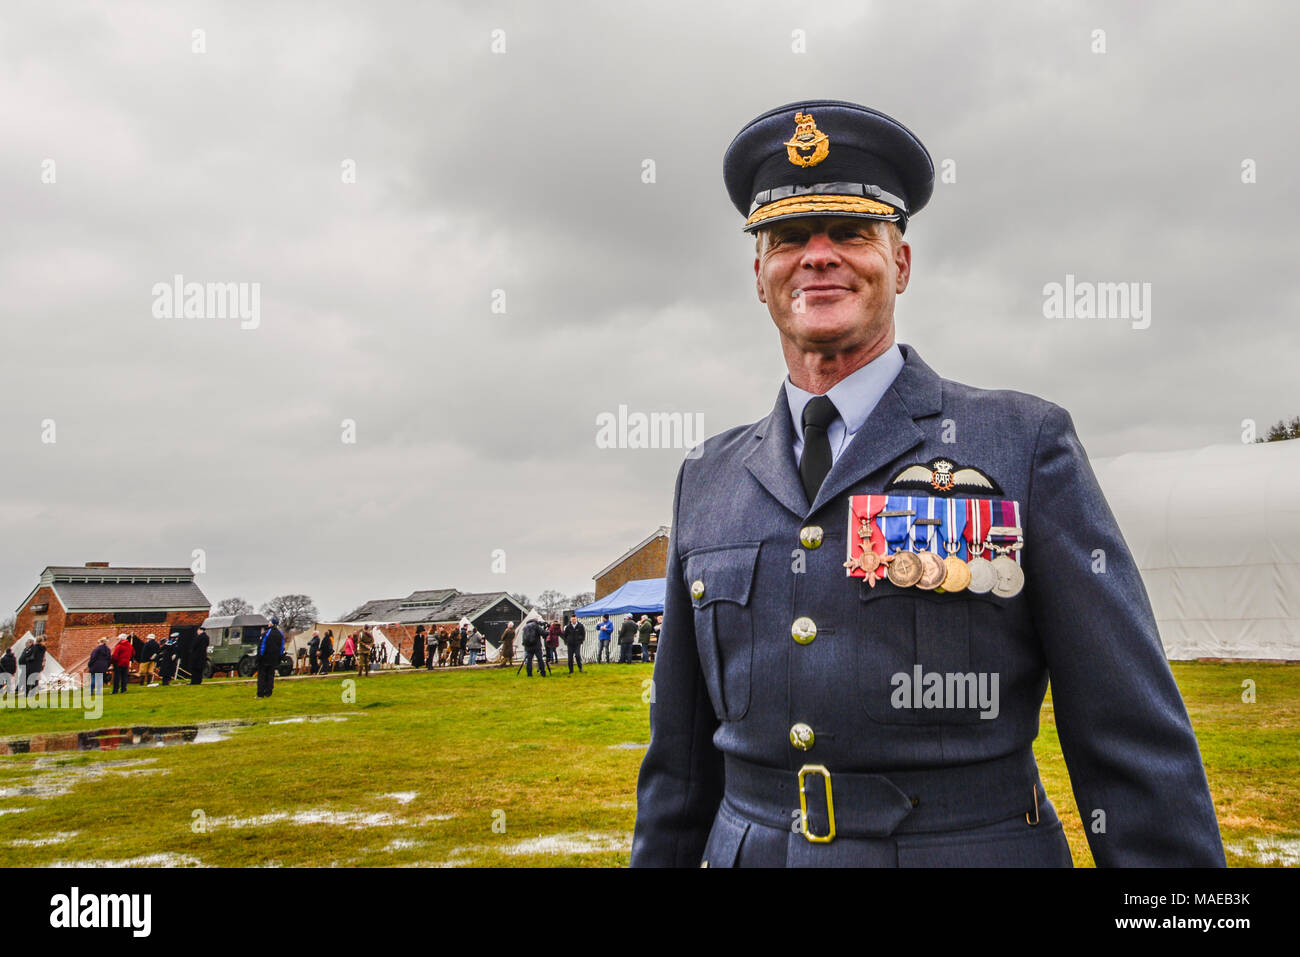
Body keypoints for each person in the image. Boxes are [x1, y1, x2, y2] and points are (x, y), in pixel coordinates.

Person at [631, 101, 1226, 869]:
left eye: (849, 233)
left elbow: (1127, 737)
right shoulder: (706, 478)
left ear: (900, 263)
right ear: (760, 274)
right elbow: (678, 767)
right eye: (788, 239)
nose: (818, 257)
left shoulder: (1022, 444)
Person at [256, 617, 285, 698]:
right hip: (274, 658)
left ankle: (260, 694)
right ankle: (269, 693)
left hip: (265, 658)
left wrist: (259, 657)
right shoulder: (280, 633)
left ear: (271, 623)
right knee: (270, 676)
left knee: (262, 676)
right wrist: (279, 657)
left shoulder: (266, 633)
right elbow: (282, 647)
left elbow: (262, 646)